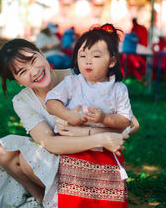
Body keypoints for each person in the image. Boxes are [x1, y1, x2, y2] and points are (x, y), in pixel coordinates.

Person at [0, 38, 138, 208]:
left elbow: (132, 124)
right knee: (5, 151)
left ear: (42, 53)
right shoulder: (23, 100)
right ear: (19, 82)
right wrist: (99, 138)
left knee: (28, 162)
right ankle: (41, 199)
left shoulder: (80, 76)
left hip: (92, 158)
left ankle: (70, 197)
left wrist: (90, 134)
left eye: (33, 60)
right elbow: (48, 142)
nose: (34, 72)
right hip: (60, 154)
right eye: (22, 71)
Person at [45, 23, 133, 207]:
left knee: (108, 197)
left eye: (96, 55)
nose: (88, 61)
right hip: (73, 147)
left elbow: (125, 120)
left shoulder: (118, 89)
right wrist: (68, 115)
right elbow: (51, 102)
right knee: (74, 196)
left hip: (106, 150)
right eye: (82, 56)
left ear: (112, 61)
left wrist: (104, 118)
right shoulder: (72, 82)